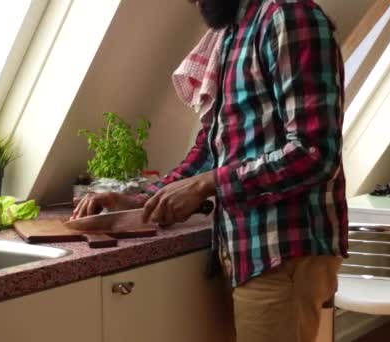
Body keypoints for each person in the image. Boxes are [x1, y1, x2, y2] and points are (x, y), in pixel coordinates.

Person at [72, 0, 348, 340]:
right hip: (246, 250)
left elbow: (315, 152)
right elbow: (211, 150)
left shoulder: (288, 17)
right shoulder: (234, 31)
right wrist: (136, 199)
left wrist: (208, 184)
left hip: (283, 250)